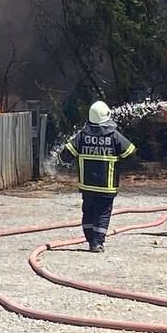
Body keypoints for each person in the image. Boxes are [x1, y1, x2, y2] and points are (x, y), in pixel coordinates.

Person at [58, 100, 137, 253]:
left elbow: (64, 156)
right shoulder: (114, 136)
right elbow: (131, 153)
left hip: (87, 185)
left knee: (88, 211)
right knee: (102, 213)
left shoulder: (82, 136)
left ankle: (90, 240)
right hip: (107, 185)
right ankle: (97, 243)